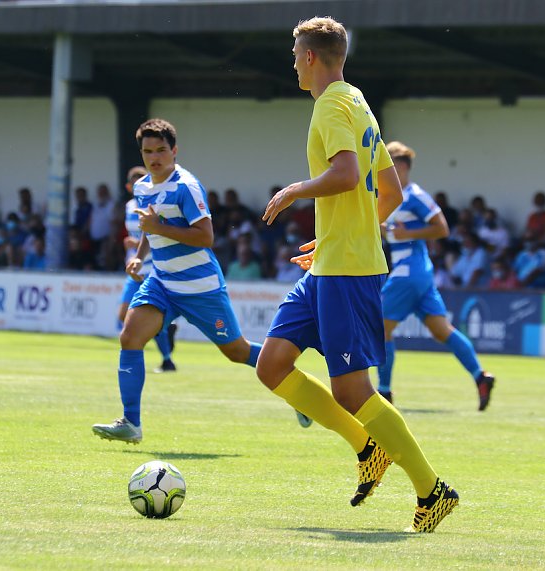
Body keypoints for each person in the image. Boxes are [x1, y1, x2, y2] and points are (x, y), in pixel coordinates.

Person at [255, 18, 458, 533]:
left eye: (294, 52)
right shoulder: (357, 100)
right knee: (272, 364)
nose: (292, 60)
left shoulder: (330, 106)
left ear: (309, 57)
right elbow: (386, 191)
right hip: (333, 262)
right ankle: (367, 448)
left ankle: (432, 490)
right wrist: (339, 235)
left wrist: (294, 190)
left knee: (352, 391)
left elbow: (346, 175)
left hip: (347, 271)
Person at [92, 118, 263, 444]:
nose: (154, 158)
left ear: (174, 150)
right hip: (164, 282)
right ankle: (131, 423)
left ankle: (292, 378)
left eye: (160, 150)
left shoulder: (186, 186)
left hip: (200, 287)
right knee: (130, 337)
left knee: (237, 352)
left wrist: (158, 229)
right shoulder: (143, 188)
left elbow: (205, 237)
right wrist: (141, 255)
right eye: (147, 151)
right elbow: (149, 227)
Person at [375, 141, 495, 408]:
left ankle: (384, 392)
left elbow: (442, 228)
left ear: (403, 166)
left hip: (409, 272)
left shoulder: (415, 195)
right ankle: (481, 376)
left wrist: (408, 233)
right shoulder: (393, 195)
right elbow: (397, 231)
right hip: (420, 274)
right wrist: (387, 229)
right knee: (442, 330)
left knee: (379, 328)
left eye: (389, 162)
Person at [117, 165, 176, 374]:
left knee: (148, 318)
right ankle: (163, 335)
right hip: (134, 268)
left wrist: (137, 247)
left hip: (152, 269)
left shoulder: (154, 206)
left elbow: (157, 236)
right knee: (124, 313)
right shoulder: (128, 206)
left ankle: (167, 359)